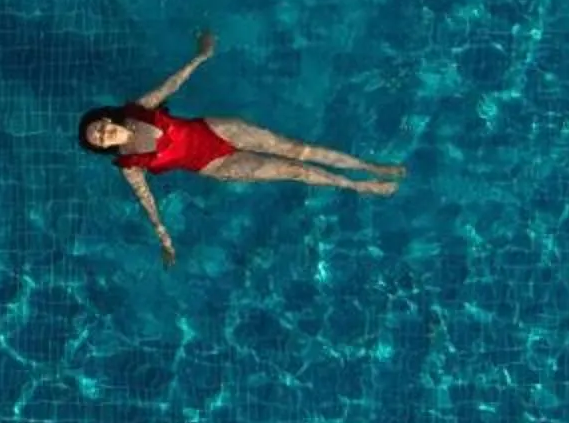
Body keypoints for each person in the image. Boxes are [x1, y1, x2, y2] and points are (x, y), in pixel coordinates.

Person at [80, 31, 405, 264]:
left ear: (106, 117)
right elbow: (146, 201)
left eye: (100, 126)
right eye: (99, 139)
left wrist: (200, 56)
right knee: (296, 170)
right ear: (103, 148)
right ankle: (361, 185)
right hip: (216, 165)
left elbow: (171, 83)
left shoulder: (139, 108)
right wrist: (165, 239)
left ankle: (372, 166)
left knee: (298, 149)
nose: (105, 133)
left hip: (217, 128)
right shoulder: (130, 165)